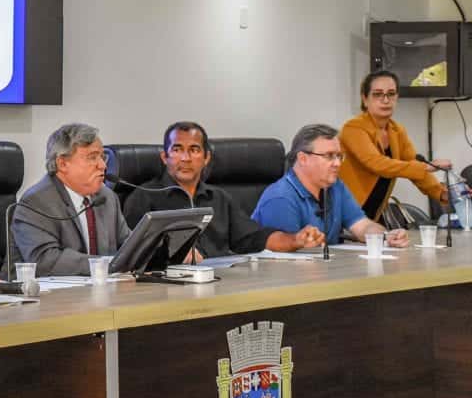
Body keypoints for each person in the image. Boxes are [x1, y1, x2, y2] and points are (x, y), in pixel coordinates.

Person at [122, 122, 324, 258]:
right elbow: (130, 253)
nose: (185, 158)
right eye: (177, 149)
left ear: (206, 158)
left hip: (220, 284)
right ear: (164, 157)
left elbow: (253, 238)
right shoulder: (143, 197)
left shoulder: (219, 198)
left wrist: (295, 240)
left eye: (194, 150)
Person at [253, 124, 409, 247]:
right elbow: (286, 254)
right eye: (329, 156)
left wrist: (386, 236)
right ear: (303, 159)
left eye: (339, 156)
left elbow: (361, 226)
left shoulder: (335, 187)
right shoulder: (280, 198)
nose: (337, 164)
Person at [11, 123, 130, 276]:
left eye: (102, 157)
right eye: (92, 157)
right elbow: (45, 261)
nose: (102, 165)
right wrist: (107, 265)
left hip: (99, 287)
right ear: (62, 164)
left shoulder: (107, 197)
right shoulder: (36, 202)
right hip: (39, 290)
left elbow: (128, 247)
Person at [339, 70, 448, 222]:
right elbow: (377, 164)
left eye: (391, 94)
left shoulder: (397, 131)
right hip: (344, 213)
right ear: (365, 99)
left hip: (373, 214)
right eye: (378, 94)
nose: (385, 100)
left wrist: (442, 193)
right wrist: (425, 167)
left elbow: (414, 168)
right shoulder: (354, 128)